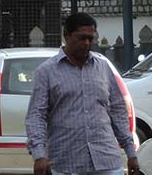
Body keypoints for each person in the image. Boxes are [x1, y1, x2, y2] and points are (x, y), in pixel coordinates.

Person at [26, 12, 138, 175]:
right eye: (81, 38)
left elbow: (117, 110)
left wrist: (131, 153)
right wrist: (39, 155)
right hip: (66, 163)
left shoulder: (103, 67)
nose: (86, 43)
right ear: (66, 36)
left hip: (106, 161)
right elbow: (36, 115)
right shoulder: (46, 72)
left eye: (90, 39)